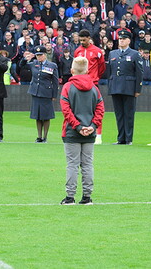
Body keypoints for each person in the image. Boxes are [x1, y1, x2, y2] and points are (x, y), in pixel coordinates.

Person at [59, 56, 104, 205]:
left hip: (72, 131)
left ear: (72, 70)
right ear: (87, 70)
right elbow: (100, 109)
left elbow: (66, 110)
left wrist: (77, 126)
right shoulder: (94, 88)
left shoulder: (67, 87)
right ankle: (87, 196)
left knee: (72, 164)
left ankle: (70, 197)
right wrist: (92, 126)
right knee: (87, 164)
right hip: (89, 131)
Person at [106, 30, 144, 145]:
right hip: (116, 86)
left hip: (129, 87)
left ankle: (128, 139)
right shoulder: (113, 53)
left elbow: (139, 72)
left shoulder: (134, 54)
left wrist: (137, 89)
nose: (121, 41)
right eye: (120, 39)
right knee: (119, 114)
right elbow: (109, 72)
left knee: (128, 114)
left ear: (128, 40)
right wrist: (110, 85)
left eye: (123, 39)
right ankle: (120, 138)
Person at [74, 29, 106, 143]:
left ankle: (98, 134)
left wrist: (95, 77)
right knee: (79, 108)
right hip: (79, 83)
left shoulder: (97, 51)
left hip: (93, 84)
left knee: (96, 108)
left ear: (89, 38)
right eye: (80, 40)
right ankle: (81, 131)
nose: (82, 42)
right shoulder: (77, 51)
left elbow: (102, 67)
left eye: (84, 40)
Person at [27, 45, 59, 143]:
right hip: (36, 92)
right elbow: (21, 65)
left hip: (46, 93)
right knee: (37, 115)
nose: (39, 57)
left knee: (46, 116)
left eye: (40, 55)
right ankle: (39, 136)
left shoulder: (52, 65)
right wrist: (27, 58)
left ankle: (45, 136)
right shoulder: (34, 64)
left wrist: (54, 95)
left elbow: (55, 81)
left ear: (45, 55)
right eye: (37, 55)